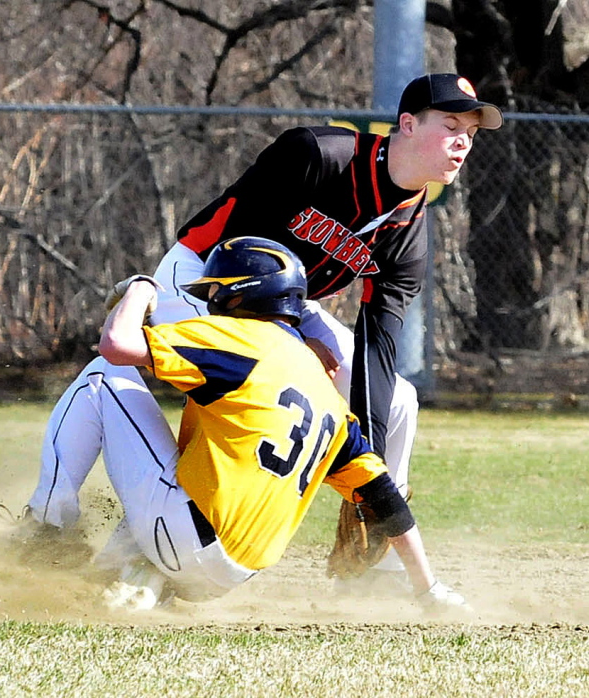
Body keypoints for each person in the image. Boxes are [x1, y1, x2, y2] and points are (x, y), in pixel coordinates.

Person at [148, 73, 503, 587]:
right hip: (202, 276)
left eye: (470, 133)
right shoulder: (319, 155)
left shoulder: (408, 232)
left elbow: (378, 345)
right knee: (249, 396)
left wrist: (370, 469)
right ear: (407, 124)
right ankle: (146, 543)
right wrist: (295, 347)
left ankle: (372, 554)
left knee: (399, 401)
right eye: (450, 125)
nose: (461, 142)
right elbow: (239, 257)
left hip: (287, 307)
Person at [21, 236, 469, 613]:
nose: (209, 303)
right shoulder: (330, 400)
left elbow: (116, 345)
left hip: (186, 536)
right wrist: (428, 589)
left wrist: (142, 288)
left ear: (236, 297)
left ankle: (45, 529)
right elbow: (388, 500)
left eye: (214, 293)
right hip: (230, 575)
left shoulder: (237, 339)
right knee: (196, 462)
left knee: (104, 377)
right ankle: (135, 577)